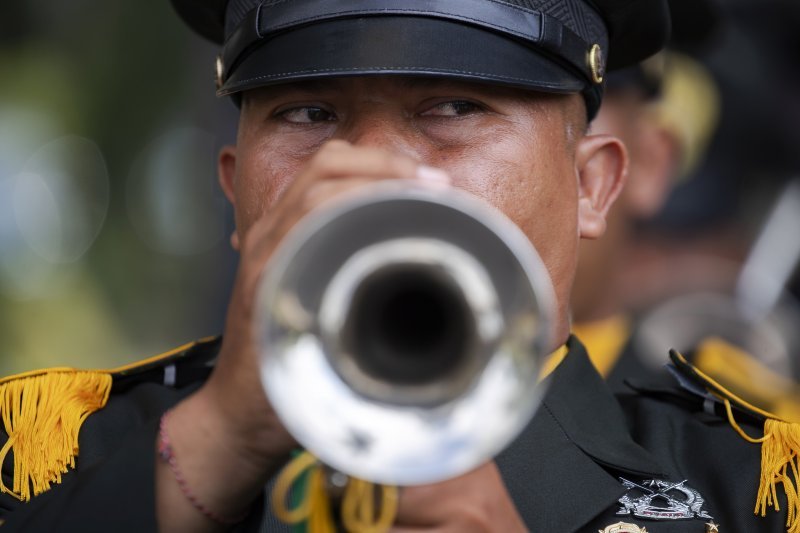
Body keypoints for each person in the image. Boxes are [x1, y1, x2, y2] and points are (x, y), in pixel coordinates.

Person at [0, 1, 797, 532]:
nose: (369, 167)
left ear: (591, 187)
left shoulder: (749, 486)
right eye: (310, 112)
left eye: (453, 107)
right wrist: (214, 448)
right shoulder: (51, 463)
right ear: (235, 189)